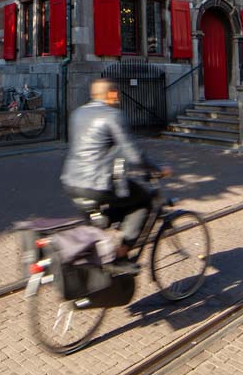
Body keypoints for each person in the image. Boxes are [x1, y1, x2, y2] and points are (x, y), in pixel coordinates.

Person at [61, 79, 170, 273]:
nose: (118, 96)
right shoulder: (113, 115)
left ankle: (98, 259)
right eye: (116, 93)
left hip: (71, 181)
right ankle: (121, 253)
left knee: (107, 213)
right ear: (110, 94)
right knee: (144, 200)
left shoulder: (78, 113)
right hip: (98, 184)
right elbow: (134, 155)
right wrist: (157, 169)